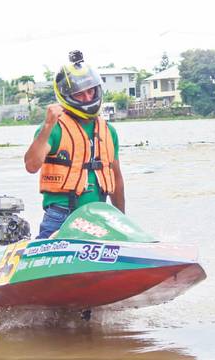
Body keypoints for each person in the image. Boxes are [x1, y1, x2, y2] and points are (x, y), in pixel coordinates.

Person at [24, 50, 125, 239]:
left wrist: (122, 221)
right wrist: (47, 126)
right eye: (80, 94)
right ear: (67, 95)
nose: (87, 98)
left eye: (90, 91)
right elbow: (31, 165)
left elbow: (116, 178)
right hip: (62, 216)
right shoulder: (54, 128)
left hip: (99, 216)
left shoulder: (108, 131)